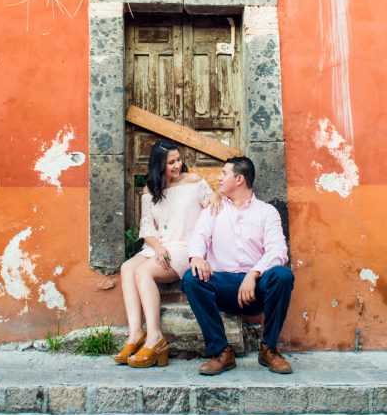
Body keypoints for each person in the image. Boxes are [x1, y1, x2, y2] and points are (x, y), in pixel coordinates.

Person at [181, 156, 295, 375]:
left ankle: (269, 349)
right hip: (223, 285)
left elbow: (278, 251)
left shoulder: (266, 212)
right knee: (191, 278)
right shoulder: (214, 209)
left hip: (257, 286)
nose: (219, 177)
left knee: (282, 275)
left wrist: (253, 274)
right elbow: (199, 237)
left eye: (224, 173)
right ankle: (221, 352)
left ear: (239, 179)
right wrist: (196, 257)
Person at [113, 139, 218, 368]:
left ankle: (155, 337)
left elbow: (212, 205)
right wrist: (159, 248)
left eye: (178, 159)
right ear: (158, 164)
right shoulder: (150, 189)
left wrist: (216, 196)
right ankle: (134, 334)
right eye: (171, 162)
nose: (177, 165)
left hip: (184, 245)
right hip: (158, 245)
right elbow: (147, 226)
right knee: (127, 268)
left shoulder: (193, 181)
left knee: (143, 272)